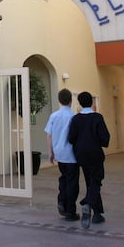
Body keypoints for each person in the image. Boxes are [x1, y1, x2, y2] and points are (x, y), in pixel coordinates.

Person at [67, 91, 110, 229]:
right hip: (95, 154)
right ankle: (88, 203)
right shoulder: (97, 118)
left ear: (79, 103)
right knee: (96, 180)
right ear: (91, 102)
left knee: (90, 182)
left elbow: (71, 138)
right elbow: (105, 138)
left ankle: (97, 214)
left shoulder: (76, 119)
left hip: (81, 154)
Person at [44, 88, 79, 221]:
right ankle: (70, 210)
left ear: (59, 101)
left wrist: (50, 153)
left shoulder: (54, 116)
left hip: (59, 154)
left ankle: (61, 200)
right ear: (71, 100)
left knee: (64, 178)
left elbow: (49, 135)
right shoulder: (73, 117)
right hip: (71, 155)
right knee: (72, 182)